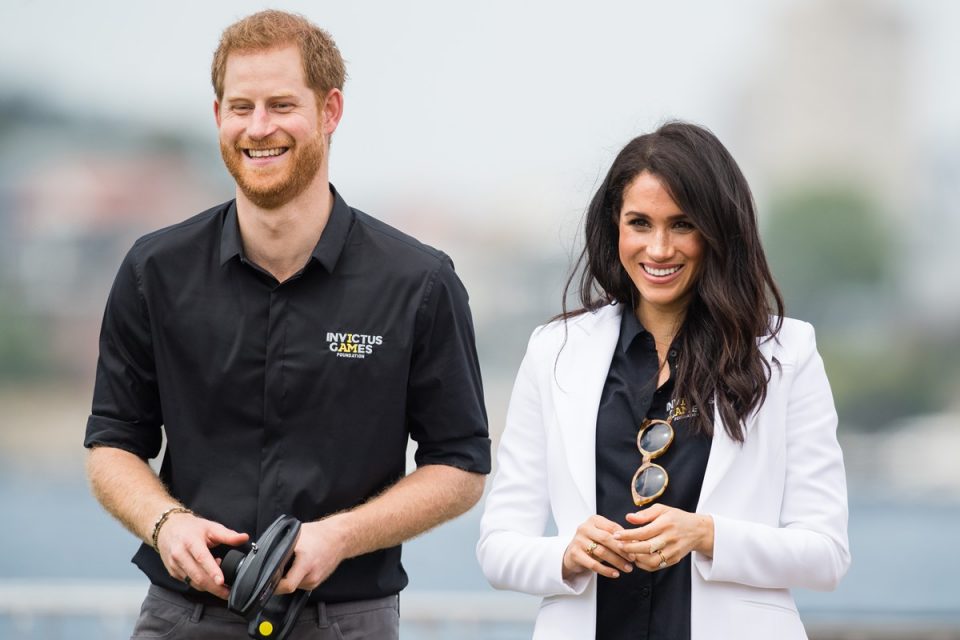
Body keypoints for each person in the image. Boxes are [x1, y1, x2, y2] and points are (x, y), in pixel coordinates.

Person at [84, 10, 490, 639]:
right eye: (241, 106)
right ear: (218, 114)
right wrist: (165, 524)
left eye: (280, 104)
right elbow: (112, 444)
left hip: (346, 619)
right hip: (183, 615)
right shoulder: (152, 271)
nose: (259, 128)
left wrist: (341, 536)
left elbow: (461, 467)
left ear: (330, 111)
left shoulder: (420, 283)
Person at [476, 121, 850, 640]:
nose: (658, 249)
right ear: (615, 228)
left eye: (681, 225)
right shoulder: (554, 351)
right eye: (640, 223)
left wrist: (706, 534)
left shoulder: (787, 353)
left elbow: (826, 554)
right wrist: (567, 552)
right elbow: (498, 547)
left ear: (719, 230)